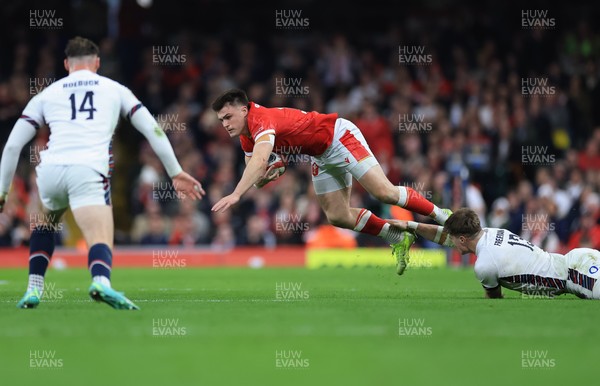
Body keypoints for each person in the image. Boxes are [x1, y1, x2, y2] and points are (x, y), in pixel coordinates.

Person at [0, 37, 205, 310]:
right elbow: (153, 129)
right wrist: (175, 171)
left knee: (46, 225)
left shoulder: (47, 93)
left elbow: (13, 145)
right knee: (100, 234)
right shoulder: (114, 89)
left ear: (66, 64)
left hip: (50, 169)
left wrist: (2, 192)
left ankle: (33, 289)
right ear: (97, 63)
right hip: (87, 168)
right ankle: (101, 282)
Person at [210, 89, 451, 274]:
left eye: (228, 117)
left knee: (384, 192)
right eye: (221, 121)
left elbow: (259, 160)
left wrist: (236, 194)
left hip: (338, 136)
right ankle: (398, 237)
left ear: (244, 110)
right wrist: (270, 174)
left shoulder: (260, 119)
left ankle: (443, 216)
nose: (226, 124)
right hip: (321, 155)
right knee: (338, 216)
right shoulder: (246, 138)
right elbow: (259, 176)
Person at [391, 208, 600, 299]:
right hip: (576, 260)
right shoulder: (491, 232)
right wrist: (411, 225)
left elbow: (495, 297)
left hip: (576, 275)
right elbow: (444, 235)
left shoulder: (484, 265)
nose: (450, 242)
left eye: (454, 239)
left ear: (462, 239)